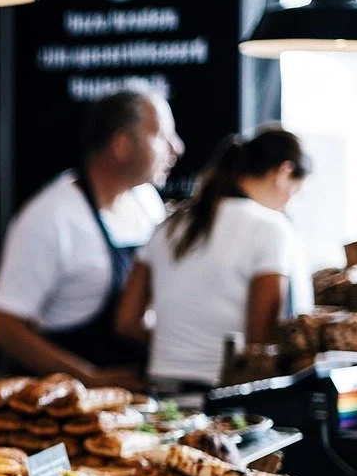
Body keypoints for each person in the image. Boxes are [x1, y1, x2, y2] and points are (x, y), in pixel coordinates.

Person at [0, 88, 184, 389]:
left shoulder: (146, 201)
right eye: (161, 135)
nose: (177, 148)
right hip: (66, 407)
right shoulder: (50, 217)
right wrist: (88, 379)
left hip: (139, 397)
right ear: (121, 145)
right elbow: (5, 327)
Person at [115, 126, 314, 389]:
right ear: (284, 173)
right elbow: (259, 342)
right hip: (226, 395)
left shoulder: (169, 225)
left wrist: (179, 344)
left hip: (162, 390)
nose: (289, 203)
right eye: (296, 192)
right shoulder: (271, 228)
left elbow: (126, 322)